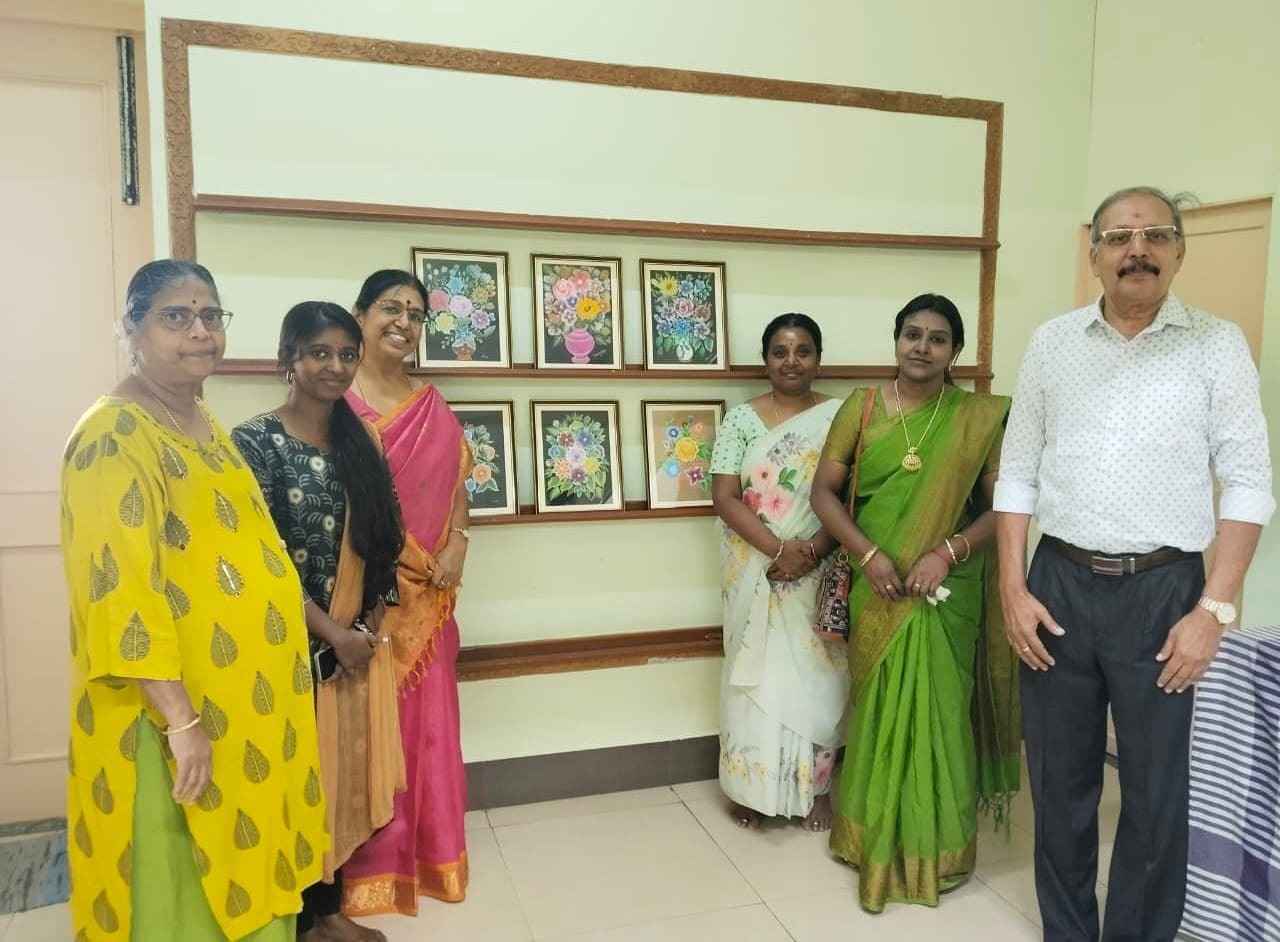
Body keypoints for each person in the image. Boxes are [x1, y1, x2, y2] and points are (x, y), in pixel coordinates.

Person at [994, 186, 1275, 941]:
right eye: (1119, 237)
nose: (1137, 250)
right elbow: (1016, 473)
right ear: (1095, 255)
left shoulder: (1217, 344)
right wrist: (1012, 587)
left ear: (1180, 250)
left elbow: (1250, 482)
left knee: (1155, 794)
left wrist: (1214, 608)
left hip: (1165, 594)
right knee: (1059, 786)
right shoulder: (1053, 343)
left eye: (1154, 235)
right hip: (1056, 586)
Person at [59, 260, 328, 941]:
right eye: (176, 317)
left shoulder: (197, 415)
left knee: (250, 862)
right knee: (182, 889)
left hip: (244, 708)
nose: (200, 331)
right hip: (168, 719)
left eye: (210, 315)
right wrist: (181, 722)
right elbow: (120, 596)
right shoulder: (111, 437)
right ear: (131, 329)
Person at [811, 293, 1021, 913]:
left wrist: (947, 553)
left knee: (940, 714)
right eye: (912, 334)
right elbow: (824, 494)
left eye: (937, 338)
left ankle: (940, 848)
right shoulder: (862, 406)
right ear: (896, 340)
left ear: (955, 350)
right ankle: (867, 839)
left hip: (945, 590)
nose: (922, 347)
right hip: (877, 583)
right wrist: (869, 556)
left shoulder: (980, 417)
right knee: (879, 713)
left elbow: (1003, 507)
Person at [233, 302, 407, 942]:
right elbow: (261, 558)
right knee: (299, 782)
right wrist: (330, 635)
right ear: (288, 358)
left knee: (341, 782)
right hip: (289, 648)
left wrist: (366, 629)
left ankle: (329, 913)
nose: (334, 366)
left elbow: (386, 538)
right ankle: (300, 922)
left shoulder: (365, 440)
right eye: (318, 353)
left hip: (356, 646)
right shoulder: (254, 444)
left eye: (345, 354)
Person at [339, 270, 473, 915]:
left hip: (429, 601)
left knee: (428, 733)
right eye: (391, 308)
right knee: (364, 737)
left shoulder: (432, 404)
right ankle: (364, 871)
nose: (404, 322)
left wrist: (459, 542)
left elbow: (458, 486)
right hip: (358, 602)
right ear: (360, 314)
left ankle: (429, 857)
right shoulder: (336, 397)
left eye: (416, 314)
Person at [709, 313, 849, 832]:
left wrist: (811, 550)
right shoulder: (740, 421)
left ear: (818, 359)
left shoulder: (840, 417)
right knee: (756, 673)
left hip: (818, 565)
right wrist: (778, 551)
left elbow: (850, 496)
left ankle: (817, 790)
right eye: (780, 351)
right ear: (766, 360)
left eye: (803, 351)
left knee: (821, 679)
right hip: (755, 568)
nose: (792, 361)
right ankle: (752, 789)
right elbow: (724, 497)